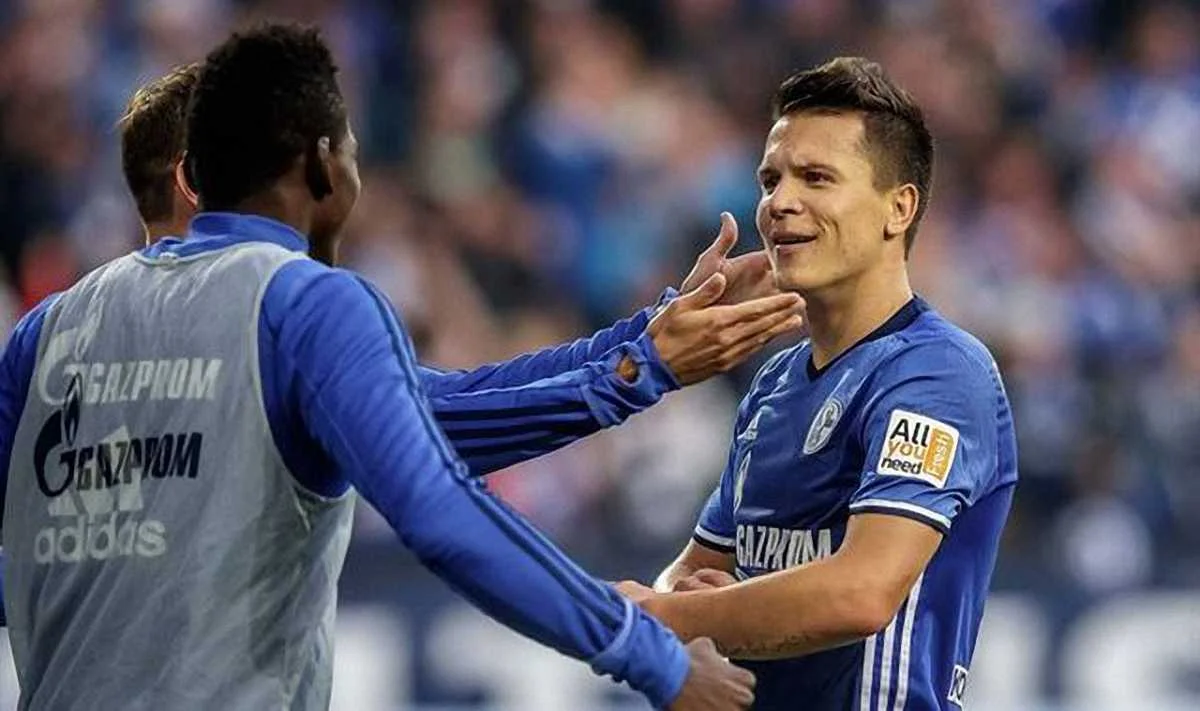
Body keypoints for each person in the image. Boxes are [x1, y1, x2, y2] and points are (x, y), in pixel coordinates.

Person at [0, 24, 761, 710]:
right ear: (322, 167)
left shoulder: (46, 333)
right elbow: (438, 506)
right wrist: (652, 655)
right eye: (354, 153)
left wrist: (640, 353)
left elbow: (431, 418)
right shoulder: (304, 301)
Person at [115, 62, 801, 476]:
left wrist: (652, 330)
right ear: (194, 181)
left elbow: (461, 393)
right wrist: (645, 367)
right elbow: (437, 425)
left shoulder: (69, 326)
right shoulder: (276, 312)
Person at [621, 57, 1018, 710]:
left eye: (816, 178)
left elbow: (861, 593)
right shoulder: (775, 382)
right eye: (770, 179)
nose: (779, 202)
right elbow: (694, 570)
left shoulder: (938, 371)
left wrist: (678, 617)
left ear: (898, 208)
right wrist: (684, 607)